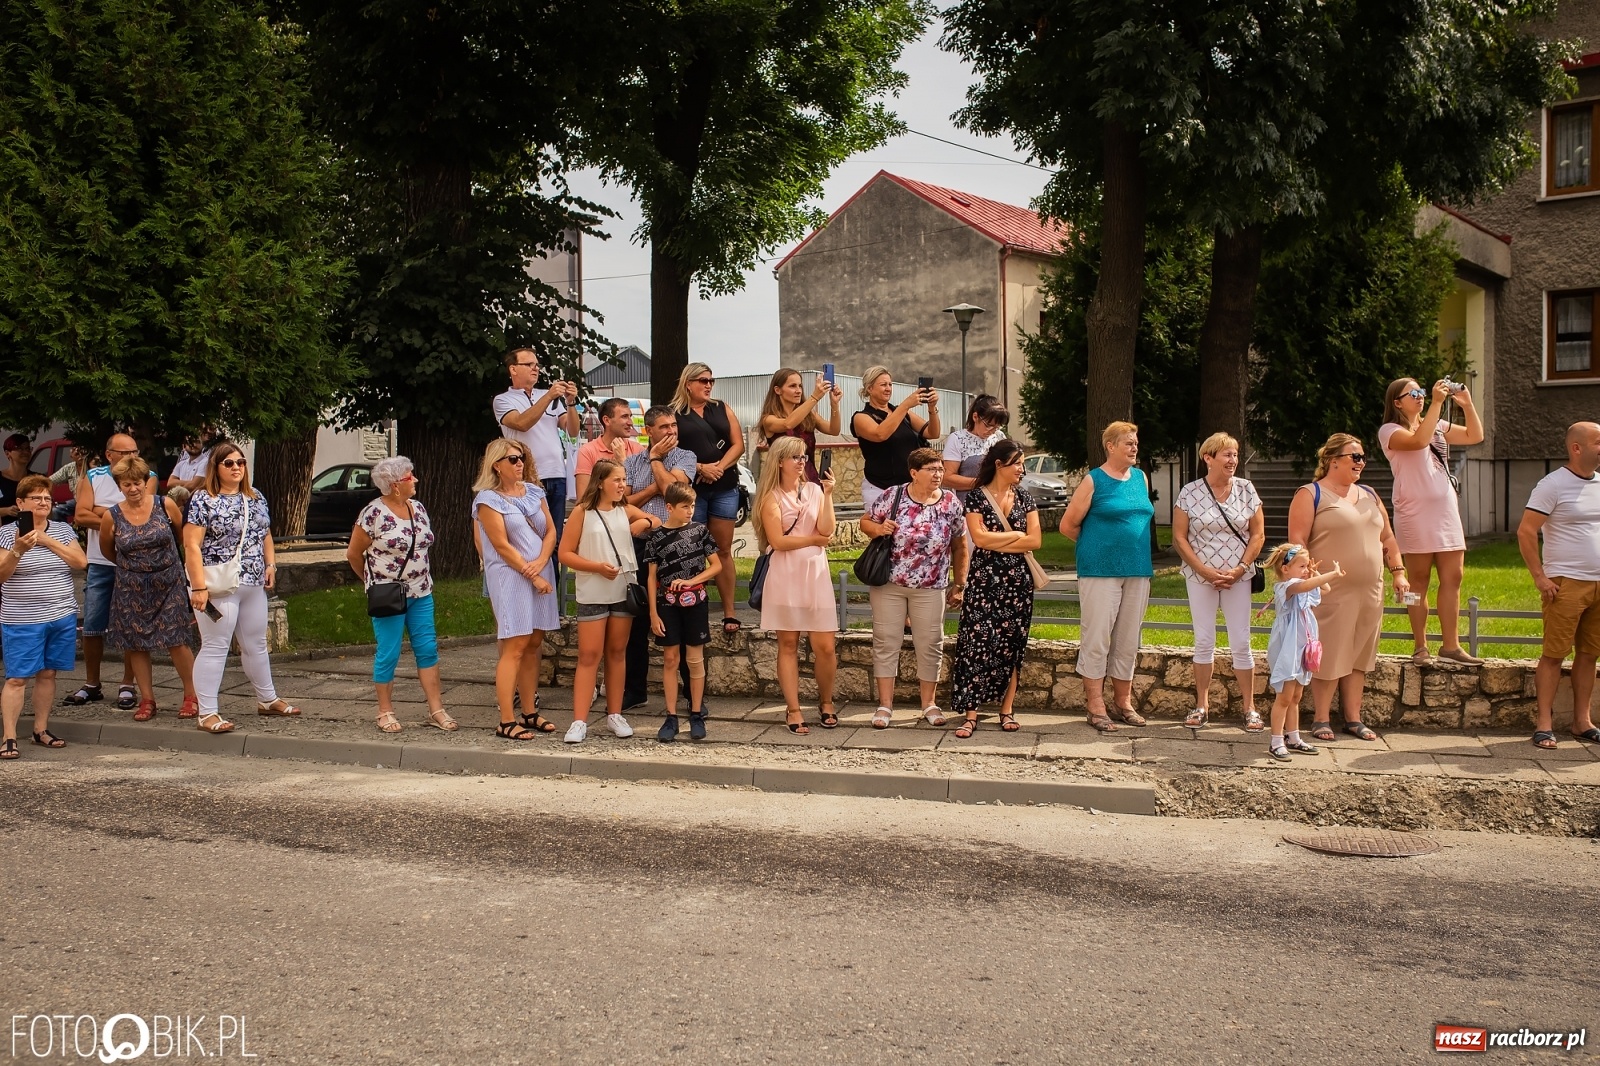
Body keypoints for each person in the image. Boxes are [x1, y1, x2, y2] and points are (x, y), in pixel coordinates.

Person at [1286, 433, 1410, 743]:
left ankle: (1353, 719)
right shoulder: (1311, 493)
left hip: (1370, 589)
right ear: (1332, 460)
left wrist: (1398, 572)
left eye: (1363, 457)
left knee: (1360, 654)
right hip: (1331, 590)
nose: (1361, 462)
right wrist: (1309, 577)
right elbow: (1297, 542)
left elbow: (1389, 538)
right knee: (1328, 652)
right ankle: (1321, 718)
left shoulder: (1369, 493)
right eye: (1354, 456)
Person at [183, 443, 299, 734]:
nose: (236, 467)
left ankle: (267, 698)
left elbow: (265, 533)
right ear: (216, 468)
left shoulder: (255, 496)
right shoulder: (203, 499)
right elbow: (191, 545)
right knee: (215, 645)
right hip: (216, 584)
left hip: (252, 581)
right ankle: (207, 712)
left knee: (256, 643)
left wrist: (271, 565)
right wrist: (198, 587)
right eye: (229, 463)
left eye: (241, 462)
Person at [1378, 377, 1485, 665]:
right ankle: (1420, 645)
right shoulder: (1390, 431)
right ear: (1397, 402)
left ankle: (1451, 645)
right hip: (1414, 514)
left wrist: (1467, 404)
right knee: (1417, 583)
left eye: (1422, 391)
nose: (1420, 396)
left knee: (1454, 577)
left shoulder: (1436, 424)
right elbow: (1418, 441)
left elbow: (1475, 435)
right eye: (1412, 393)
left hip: (1445, 513)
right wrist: (1437, 402)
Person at [859, 447, 968, 727]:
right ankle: (885, 706)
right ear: (914, 473)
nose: (938, 474)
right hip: (889, 584)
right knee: (886, 641)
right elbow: (866, 522)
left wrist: (960, 583)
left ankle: (929, 705)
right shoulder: (893, 495)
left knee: (930, 643)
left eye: (941, 469)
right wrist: (879, 529)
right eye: (932, 469)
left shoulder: (950, 503)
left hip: (931, 586)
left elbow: (960, 545)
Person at [347, 455, 454, 734]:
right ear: (395, 485)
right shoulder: (372, 513)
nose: (415, 479)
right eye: (410, 476)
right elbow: (353, 554)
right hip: (388, 595)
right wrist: (371, 582)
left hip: (421, 590)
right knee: (389, 652)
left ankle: (436, 709)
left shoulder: (417, 508)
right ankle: (384, 711)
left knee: (427, 649)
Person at [559, 457, 662, 744]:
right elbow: (565, 553)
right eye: (617, 480)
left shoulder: (623, 509)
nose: (622, 484)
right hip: (593, 589)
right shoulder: (583, 511)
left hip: (622, 589)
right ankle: (579, 720)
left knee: (617, 653)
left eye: (623, 479)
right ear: (600, 481)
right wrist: (596, 567)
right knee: (589, 655)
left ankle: (614, 714)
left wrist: (641, 521)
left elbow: (655, 520)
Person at [1059, 421, 1154, 733]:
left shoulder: (1140, 477)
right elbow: (1068, 525)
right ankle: (1095, 705)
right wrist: (1097, 547)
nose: (1134, 448)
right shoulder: (1093, 480)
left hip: (1138, 570)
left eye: (1135, 443)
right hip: (1100, 571)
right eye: (1128, 443)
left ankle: (1123, 702)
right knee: (1097, 637)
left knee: (1128, 639)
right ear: (1110, 446)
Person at [1171, 432, 1266, 729]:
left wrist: (1240, 568)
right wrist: (1204, 571)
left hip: (1238, 577)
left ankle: (1250, 708)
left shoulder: (1247, 489)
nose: (1233, 460)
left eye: (1235, 454)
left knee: (1241, 641)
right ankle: (1201, 705)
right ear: (1208, 458)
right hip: (1201, 578)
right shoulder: (1189, 492)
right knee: (1203, 641)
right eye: (1227, 454)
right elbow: (1179, 537)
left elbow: (1258, 534)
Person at [1517, 421, 1600, 750]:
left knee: (1590, 655)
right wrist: (1540, 576)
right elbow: (1526, 531)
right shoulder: (1552, 485)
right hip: (1565, 584)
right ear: (1577, 448)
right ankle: (1544, 724)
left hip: (1598, 585)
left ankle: (1583, 722)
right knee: (1554, 655)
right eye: (1598, 441)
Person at [99, 457, 200, 722]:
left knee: (177, 639)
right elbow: (109, 551)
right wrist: (134, 569)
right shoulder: (112, 516)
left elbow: (183, 539)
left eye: (137, 483)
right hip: (130, 588)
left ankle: (192, 695)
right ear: (119, 485)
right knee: (136, 643)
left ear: (147, 483)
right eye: (126, 484)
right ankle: (147, 699)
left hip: (169, 582)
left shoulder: (165, 505)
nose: (132, 489)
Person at [473, 439, 562, 740]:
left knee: (534, 642)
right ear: (496, 465)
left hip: (539, 569)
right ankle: (506, 720)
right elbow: (500, 545)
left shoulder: (535, 492)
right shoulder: (487, 500)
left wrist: (541, 562)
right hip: (512, 576)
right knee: (515, 645)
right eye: (512, 459)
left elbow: (550, 531)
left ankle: (529, 711)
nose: (519, 462)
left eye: (521, 457)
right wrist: (531, 572)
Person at [949, 440, 1039, 736]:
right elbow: (979, 538)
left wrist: (1001, 537)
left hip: (1018, 581)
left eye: (1023, 464)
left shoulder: (1025, 498)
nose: (1021, 470)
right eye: (1017, 464)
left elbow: (1035, 541)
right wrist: (1015, 535)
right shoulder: (976, 497)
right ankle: (971, 712)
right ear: (999, 465)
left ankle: (1007, 709)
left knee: (1013, 644)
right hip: (984, 580)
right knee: (977, 642)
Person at [755, 436, 838, 734]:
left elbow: (827, 529)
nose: (802, 462)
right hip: (786, 573)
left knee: (825, 646)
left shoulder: (815, 490)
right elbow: (777, 541)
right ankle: (793, 709)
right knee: (788, 644)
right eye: (795, 457)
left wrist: (828, 494)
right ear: (780, 462)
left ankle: (826, 702)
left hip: (814, 572)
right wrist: (814, 540)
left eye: (804, 456)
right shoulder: (770, 498)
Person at [0, 476, 87, 760]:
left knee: (48, 673)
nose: (43, 502)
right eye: (36, 498)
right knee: (17, 678)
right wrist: (18, 550)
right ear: (20, 503)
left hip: (60, 615)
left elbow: (80, 562)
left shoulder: (61, 530)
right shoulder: (6, 533)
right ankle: (9, 737)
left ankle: (40, 729)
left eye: (47, 498)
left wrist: (46, 540)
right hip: (23, 618)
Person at [622, 406, 699, 709]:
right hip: (640, 544)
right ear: (649, 430)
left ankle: (692, 695)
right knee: (637, 618)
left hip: (676, 546)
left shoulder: (685, 457)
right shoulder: (630, 462)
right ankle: (635, 690)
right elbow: (625, 502)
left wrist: (655, 462)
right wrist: (656, 486)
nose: (671, 432)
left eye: (674, 426)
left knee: (680, 616)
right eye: (664, 427)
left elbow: (674, 494)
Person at [66, 433, 149, 710]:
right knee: (92, 625)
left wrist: (102, 512)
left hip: (133, 561)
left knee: (131, 624)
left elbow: (145, 516)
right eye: (124, 453)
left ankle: (128, 684)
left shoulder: (147, 474)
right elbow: (80, 515)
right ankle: (92, 683)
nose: (131, 458)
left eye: (134, 452)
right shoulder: (93, 477)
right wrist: (119, 513)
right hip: (100, 561)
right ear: (109, 454)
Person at [671, 363, 744, 635]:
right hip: (693, 490)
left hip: (725, 485)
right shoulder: (676, 414)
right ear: (688, 383)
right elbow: (670, 451)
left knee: (723, 549)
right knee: (692, 549)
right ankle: (692, 609)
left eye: (711, 380)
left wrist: (719, 468)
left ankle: (729, 612)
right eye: (703, 380)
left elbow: (738, 444)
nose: (708, 385)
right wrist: (700, 467)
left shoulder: (721, 407)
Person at [645, 483, 721, 742]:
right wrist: (653, 614)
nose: (690, 511)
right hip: (667, 604)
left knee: (695, 659)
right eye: (685, 506)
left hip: (696, 602)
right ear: (669, 507)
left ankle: (697, 713)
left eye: (692, 505)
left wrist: (691, 581)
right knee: (670, 659)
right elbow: (651, 577)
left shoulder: (700, 531)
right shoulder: (656, 537)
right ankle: (671, 716)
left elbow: (716, 566)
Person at [493, 344, 580, 548]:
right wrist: (549, 397)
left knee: (555, 538)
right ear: (513, 369)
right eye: (529, 364)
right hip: (526, 476)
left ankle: (553, 580)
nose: (535, 368)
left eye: (537, 365)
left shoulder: (546, 394)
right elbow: (522, 423)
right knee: (529, 537)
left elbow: (573, 430)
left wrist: (570, 402)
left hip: (556, 474)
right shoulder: (503, 400)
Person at [1262, 544, 1342, 762]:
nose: (1306, 569)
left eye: (1307, 565)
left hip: (1301, 647)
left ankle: (1293, 737)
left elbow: (1324, 590)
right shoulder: (1285, 587)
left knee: (1296, 696)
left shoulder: (1303, 585)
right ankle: (1276, 741)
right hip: (1288, 648)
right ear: (1285, 568)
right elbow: (1307, 585)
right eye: (1302, 566)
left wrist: (1316, 574)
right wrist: (1331, 573)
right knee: (1285, 697)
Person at [852, 366, 940, 512]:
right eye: (883, 385)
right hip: (879, 487)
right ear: (869, 389)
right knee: (883, 532)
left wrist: (932, 409)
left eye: (890, 384)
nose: (888, 389)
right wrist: (906, 405)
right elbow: (880, 434)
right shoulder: (861, 417)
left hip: (910, 488)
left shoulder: (903, 413)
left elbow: (933, 432)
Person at [757, 367, 842, 482]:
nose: (798, 390)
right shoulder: (769, 419)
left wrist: (834, 404)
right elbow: (788, 424)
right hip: (783, 483)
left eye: (800, 386)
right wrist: (815, 397)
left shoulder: (809, 415)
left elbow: (834, 430)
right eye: (792, 386)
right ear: (778, 390)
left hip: (810, 480)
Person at [574, 397, 645, 501]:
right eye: (624, 417)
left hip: (632, 515)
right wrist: (623, 462)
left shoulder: (638, 449)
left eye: (630, 416)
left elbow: (639, 494)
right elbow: (582, 499)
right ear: (607, 420)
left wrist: (623, 461)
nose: (630, 423)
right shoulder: (587, 451)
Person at [941, 394, 1008, 499]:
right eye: (989, 425)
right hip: (968, 503)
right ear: (975, 417)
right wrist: (983, 483)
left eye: (997, 426)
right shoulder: (957, 439)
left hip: (998, 501)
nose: (992, 430)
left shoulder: (999, 437)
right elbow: (946, 478)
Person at [166, 431, 215, 510]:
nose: (194, 445)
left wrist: (179, 485)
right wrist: (190, 482)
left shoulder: (206, 462)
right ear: (184, 446)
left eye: (197, 442)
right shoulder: (181, 464)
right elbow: (170, 483)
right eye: (191, 443)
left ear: (202, 445)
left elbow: (193, 485)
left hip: (198, 506)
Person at [0, 434, 32, 519]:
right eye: (20, 448)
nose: (25, 452)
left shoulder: (36, 479)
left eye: (27, 448)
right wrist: (5, 511)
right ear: (7, 453)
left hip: (31, 529)